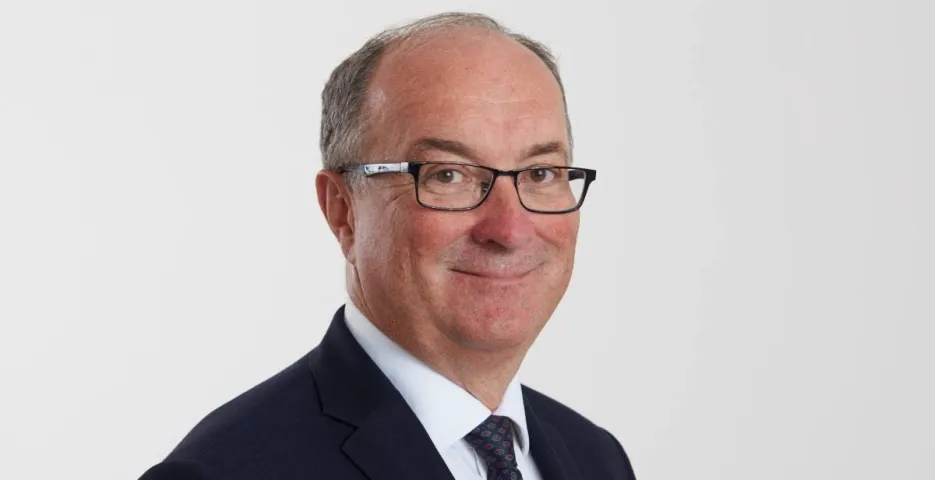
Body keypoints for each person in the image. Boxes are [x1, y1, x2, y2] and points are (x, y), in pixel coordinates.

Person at [140, 11, 636, 480]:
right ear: (343, 210)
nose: (509, 229)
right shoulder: (224, 471)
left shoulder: (595, 458)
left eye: (541, 173)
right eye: (448, 175)